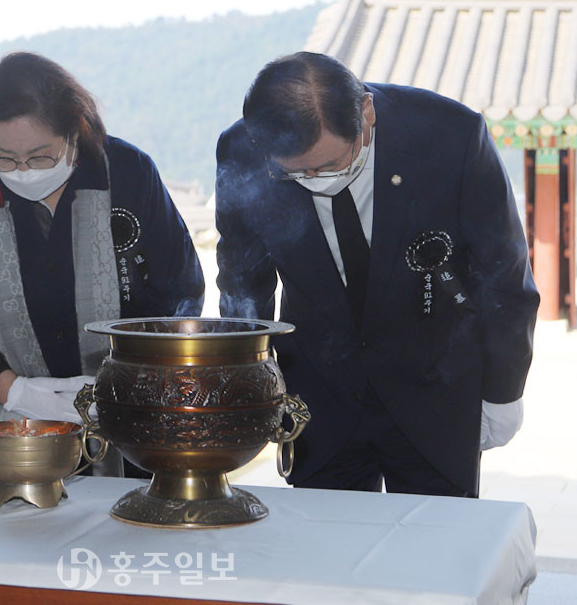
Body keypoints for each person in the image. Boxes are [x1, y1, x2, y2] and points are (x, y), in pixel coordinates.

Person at [215, 52, 539, 497]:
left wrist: (504, 390)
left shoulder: (449, 135)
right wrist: (243, 376)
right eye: (296, 172)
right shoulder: (241, 151)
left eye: (330, 165)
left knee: (435, 545)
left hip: (435, 384)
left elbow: (502, 272)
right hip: (319, 395)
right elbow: (242, 277)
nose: (314, 179)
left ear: (366, 113)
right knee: (327, 546)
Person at [0, 52, 204, 476]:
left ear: (75, 132)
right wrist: (16, 392)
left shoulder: (127, 173)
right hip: (26, 431)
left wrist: (125, 384)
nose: (23, 170)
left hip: (137, 421)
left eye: (40, 156)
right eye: (5, 157)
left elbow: (180, 293)